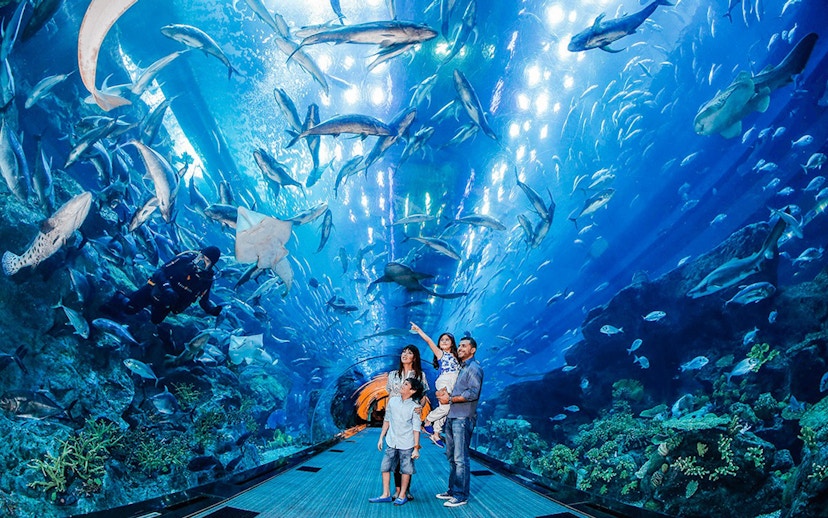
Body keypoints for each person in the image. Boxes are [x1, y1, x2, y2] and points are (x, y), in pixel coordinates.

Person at [114, 246, 223, 324]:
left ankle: (142, 309)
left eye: (207, 261)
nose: (202, 261)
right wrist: (166, 287)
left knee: (155, 321)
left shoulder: (206, 279)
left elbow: (204, 301)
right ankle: (120, 297)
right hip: (154, 290)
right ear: (198, 253)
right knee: (129, 309)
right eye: (201, 257)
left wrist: (211, 310)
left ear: (211, 265)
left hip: (167, 304)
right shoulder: (183, 260)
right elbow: (159, 272)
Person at [435, 336, 483, 508]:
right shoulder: (461, 367)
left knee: (460, 458)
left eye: (464, 346)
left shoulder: (474, 368)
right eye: (460, 345)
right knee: (451, 457)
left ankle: (461, 495)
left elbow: (473, 393)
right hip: (452, 416)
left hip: (463, 417)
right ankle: (452, 490)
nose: (460, 348)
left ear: (473, 349)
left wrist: (451, 399)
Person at [368, 377, 424, 506]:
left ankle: (402, 495)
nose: (402, 386)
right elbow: (387, 420)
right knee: (385, 467)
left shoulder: (415, 407)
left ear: (412, 390)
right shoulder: (392, 401)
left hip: (407, 443)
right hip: (391, 441)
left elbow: (416, 429)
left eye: (405, 384)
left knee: (406, 469)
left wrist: (416, 448)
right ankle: (385, 494)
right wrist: (381, 437)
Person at [385, 344, 429, 501]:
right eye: (403, 351)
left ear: (414, 357)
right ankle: (398, 490)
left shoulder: (420, 375)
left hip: (409, 419)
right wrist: (387, 416)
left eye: (409, 353)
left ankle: (405, 490)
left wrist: (420, 408)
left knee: (407, 456)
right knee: (394, 456)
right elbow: (390, 395)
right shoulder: (392, 375)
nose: (405, 354)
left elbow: (423, 396)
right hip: (395, 418)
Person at [410, 322, 460, 448]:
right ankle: (428, 421)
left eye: (447, 339)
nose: (443, 341)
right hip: (445, 381)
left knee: (446, 409)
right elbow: (428, 341)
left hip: (454, 382)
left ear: (452, 343)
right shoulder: (441, 354)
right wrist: (419, 330)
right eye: (441, 340)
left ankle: (436, 433)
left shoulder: (456, 356)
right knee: (446, 408)